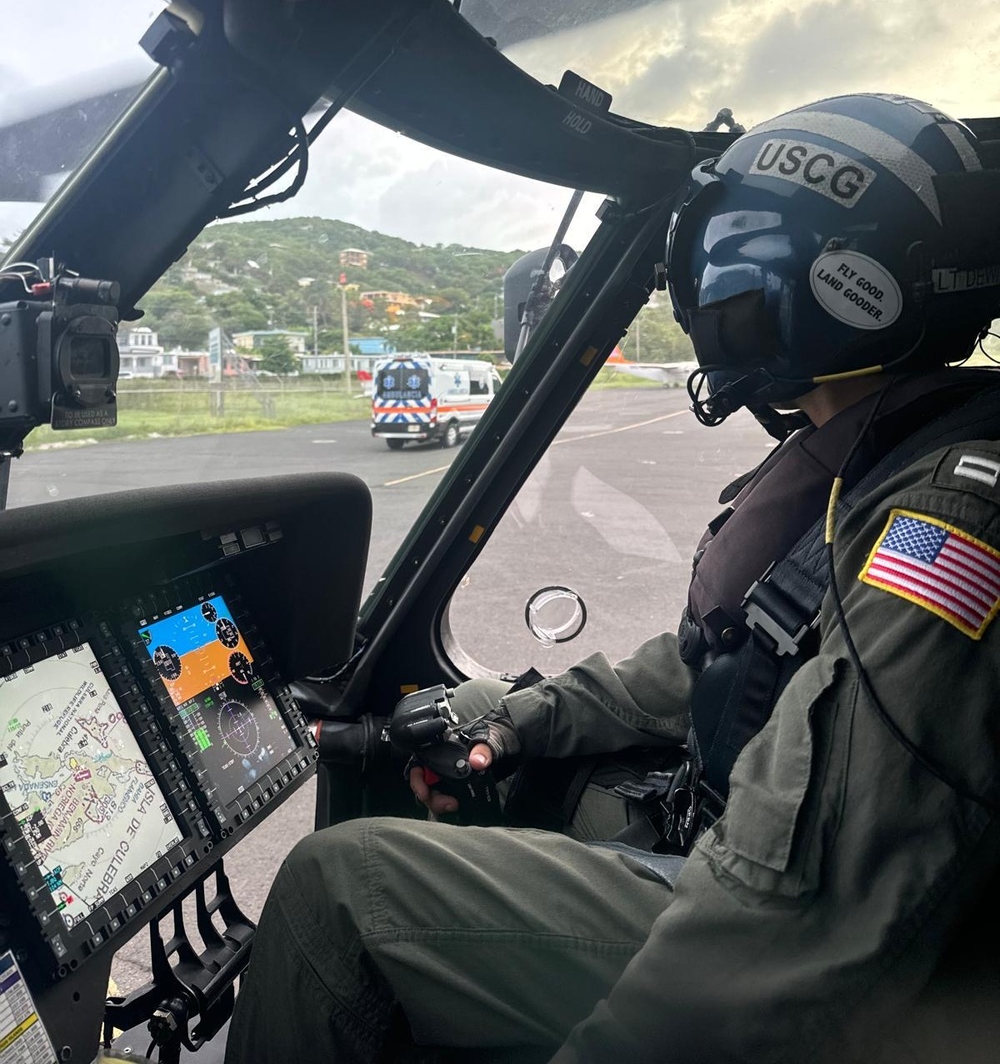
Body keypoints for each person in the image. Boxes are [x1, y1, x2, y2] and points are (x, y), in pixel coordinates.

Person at [226, 94, 1000, 1063]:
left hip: (850, 970)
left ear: (823, 284)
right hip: (751, 842)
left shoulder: (952, 518)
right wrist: (518, 718)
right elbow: (722, 662)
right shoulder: (880, 457)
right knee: (462, 710)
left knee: (336, 888)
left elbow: (795, 919)